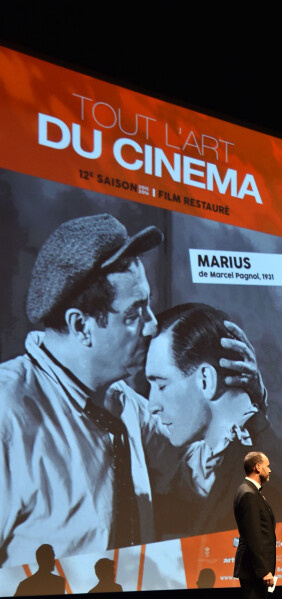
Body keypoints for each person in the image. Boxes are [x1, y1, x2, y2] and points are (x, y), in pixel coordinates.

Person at [0, 214, 265, 568]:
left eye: (148, 304)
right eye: (134, 313)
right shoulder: (7, 415)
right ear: (82, 326)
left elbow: (194, 474)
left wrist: (246, 406)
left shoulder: (122, 402)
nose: (152, 325)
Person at [145, 303, 282, 538]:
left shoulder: (266, 483)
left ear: (206, 380)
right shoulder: (216, 460)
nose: (152, 404)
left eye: (162, 385)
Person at [233, 452, 282, 599]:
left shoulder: (253, 492)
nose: (270, 470)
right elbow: (253, 536)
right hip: (254, 568)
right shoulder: (248, 494)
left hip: (255, 566)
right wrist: (263, 570)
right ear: (257, 467)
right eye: (267, 466)